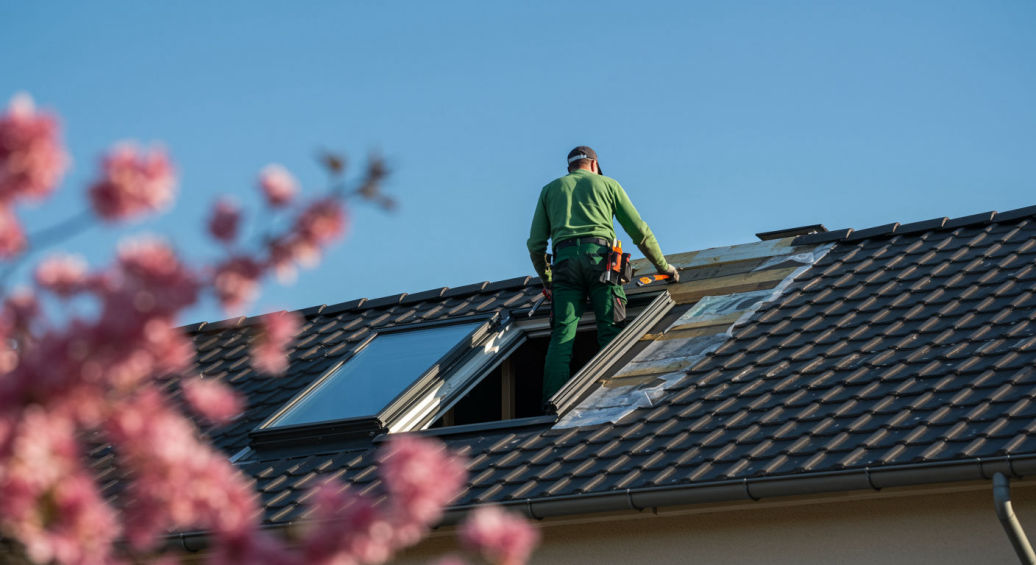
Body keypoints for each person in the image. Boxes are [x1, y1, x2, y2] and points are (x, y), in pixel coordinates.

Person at [527, 146, 678, 404]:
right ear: (595, 165)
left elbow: (535, 245)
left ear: (570, 169)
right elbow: (639, 231)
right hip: (601, 263)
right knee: (610, 330)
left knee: (562, 336)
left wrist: (548, 281)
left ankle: (550, 406)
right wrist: (664, 267)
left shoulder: (550, 191)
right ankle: (612, 399)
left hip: (563, 264)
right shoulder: (607, 184)